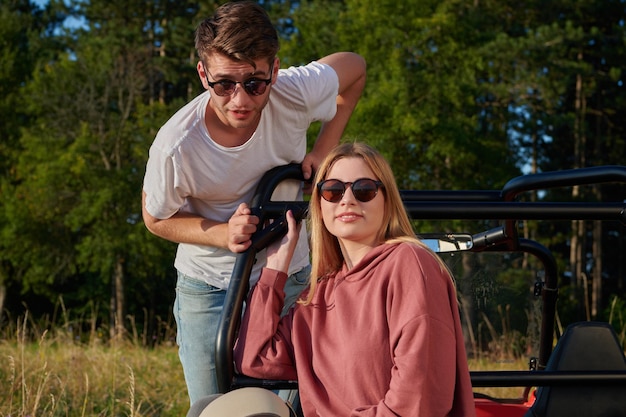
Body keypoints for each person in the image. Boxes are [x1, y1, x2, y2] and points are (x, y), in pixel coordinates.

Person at [141, 0, 366, 405]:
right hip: (209, 287)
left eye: (254, 83)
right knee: (215, 408)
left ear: (274, 71)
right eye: (224, 84)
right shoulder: (176, 146)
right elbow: (156, 218)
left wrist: (324, 150)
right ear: (203, 74)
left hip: (291, 277)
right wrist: (222, 234)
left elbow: (355, 67)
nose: (239, 99)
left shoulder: (294, 92)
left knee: (292, 404)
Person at [229, 142, 476, 416]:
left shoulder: (410, 263)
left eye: (364, 190)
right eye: (333, 190)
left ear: (387, 199)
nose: (347, 200)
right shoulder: (318, 293)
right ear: (320, 204)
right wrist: (275, 268)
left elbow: (419, 399)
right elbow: (254, 359)